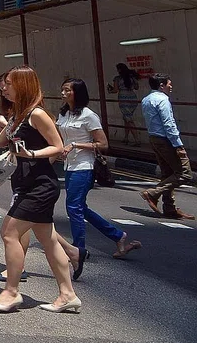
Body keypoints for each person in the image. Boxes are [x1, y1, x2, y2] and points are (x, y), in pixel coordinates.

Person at [0, 65, 80, 313]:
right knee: (48, 240)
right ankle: (67, 294)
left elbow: (58, 146)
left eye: (9, 84)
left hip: (40, 185)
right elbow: (0, 141)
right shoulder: (18, 115)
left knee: (9, 233)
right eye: (4, 84)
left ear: (24, 85)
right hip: (26, 182)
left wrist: (32, 154)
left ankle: (11, 291)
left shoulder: (37, 114)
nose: (4, 88)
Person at [57, 78, 142, 261]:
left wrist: (75, 145)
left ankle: (78, 250)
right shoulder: (63, 114)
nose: (63, 93)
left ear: (78, 93)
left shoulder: (88, 115)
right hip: (69, 166)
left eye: (67, 90)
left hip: (84, 167)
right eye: (62, 90)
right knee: (79, 207)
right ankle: (118, 236)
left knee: (73, 208)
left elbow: (103, 144)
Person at [139, 73, 193, 220]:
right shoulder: (163, 99)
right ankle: (152, 193)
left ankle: (169, 208)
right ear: (161, 86)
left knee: (167, 174)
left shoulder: (146, 99)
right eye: (169, 84)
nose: (171, 86)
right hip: (165, 140)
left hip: (154, 138)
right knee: (185, 173)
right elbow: (169, 124)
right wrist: (178, 145)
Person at [108, 63, 141, 146]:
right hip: (133, 97)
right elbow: (137, 87)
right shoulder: (132, 77)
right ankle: (126, 138)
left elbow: (115, 90)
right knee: (126, 118)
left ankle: (137, 140)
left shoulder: (117, 79)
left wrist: (110, 90)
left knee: (128, 119)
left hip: (123, 98)